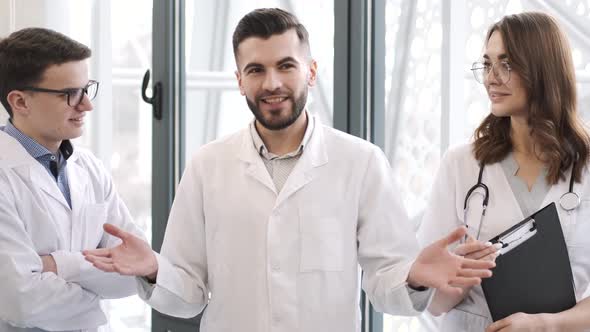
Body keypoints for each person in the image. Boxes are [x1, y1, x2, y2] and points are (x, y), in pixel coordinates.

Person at [84, 8, 493, 331]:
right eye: (256, 70)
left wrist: (415, 277)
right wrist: (155, 269)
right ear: (239, 81)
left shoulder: (361, 161)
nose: (272, 83)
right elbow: (188, 294)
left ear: (311, 72)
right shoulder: (208, 166)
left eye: (286, 66)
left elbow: (386, 285)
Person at [417, 12, 590, 332]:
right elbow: (433, 302)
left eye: (506, 64)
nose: (491, 78)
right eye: (487, 63)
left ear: (543, 69)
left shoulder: (587, 166)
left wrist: (544, 325)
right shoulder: (461, 164)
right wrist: (456, 274)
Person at [0, 28, 145, 332]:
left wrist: (56, 264)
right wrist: (96, 293)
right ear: (20, 102)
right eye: (70, 94)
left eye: (87, 88)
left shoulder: (89, 168)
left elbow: (135, 269)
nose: (86, 105)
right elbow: (21, 300)